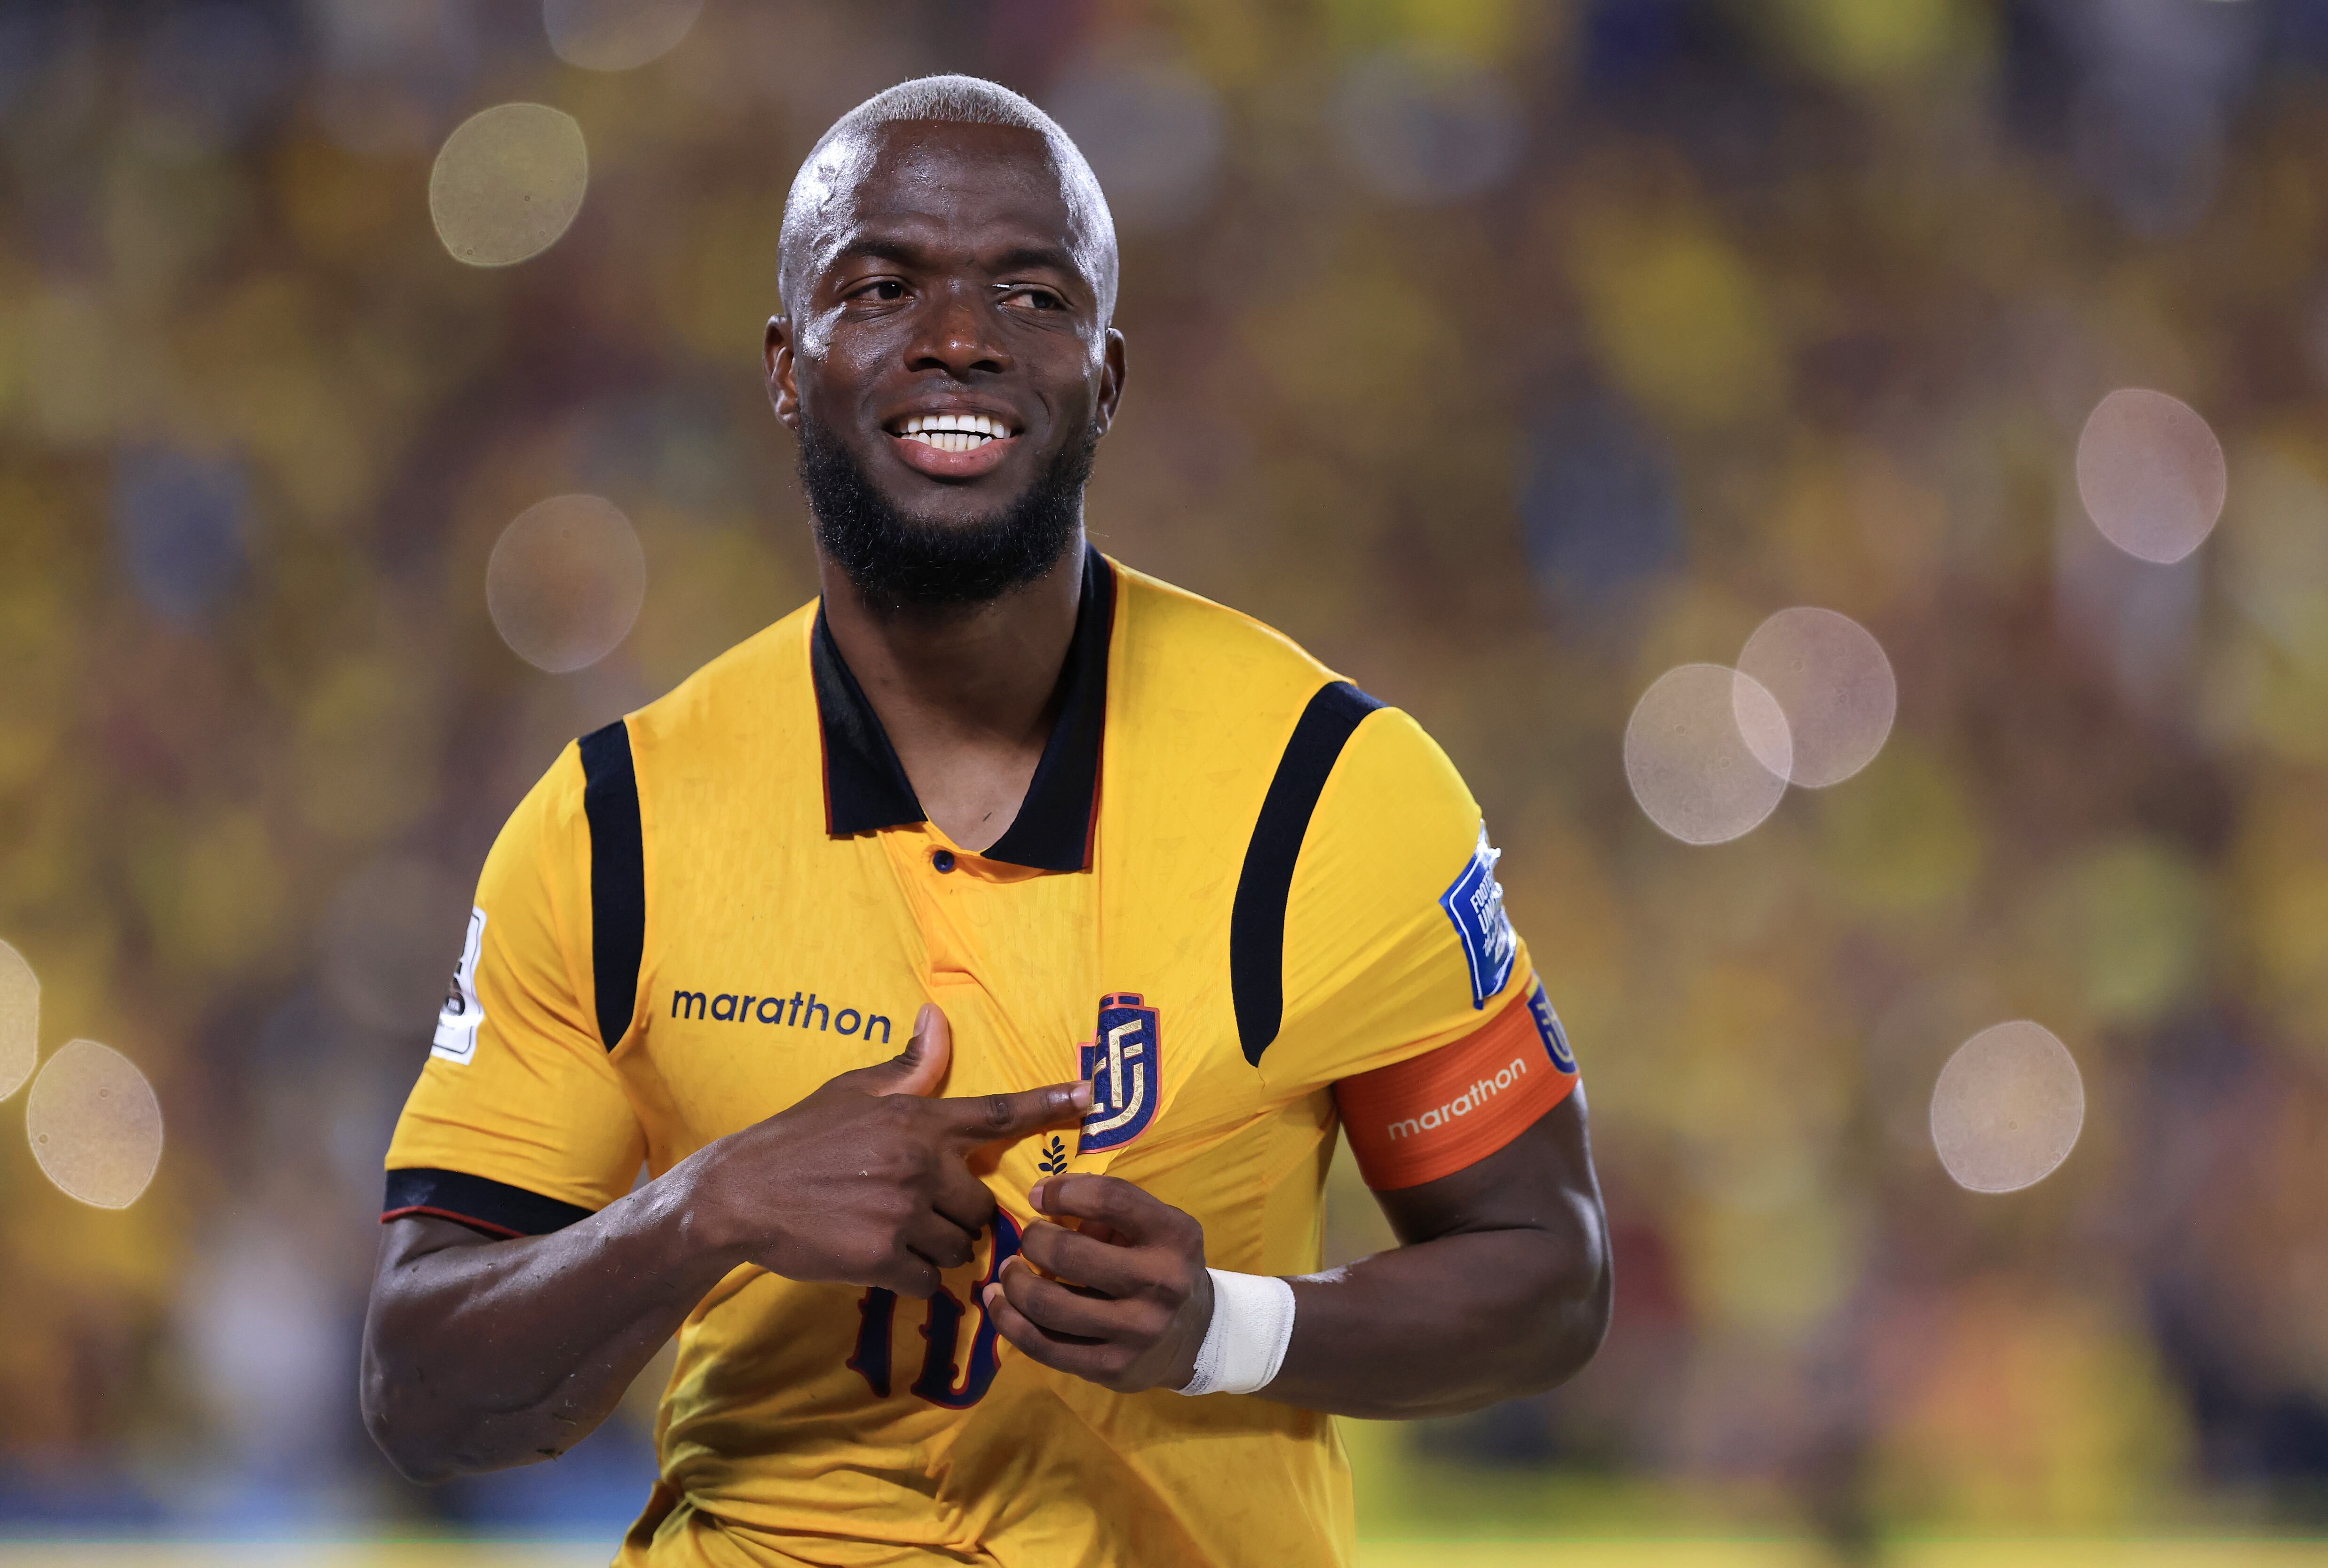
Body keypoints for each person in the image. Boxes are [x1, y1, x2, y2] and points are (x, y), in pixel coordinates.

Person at [361, 74, 1611, 1568]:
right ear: (783, 363)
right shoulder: (610, 827)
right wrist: (703, 1210)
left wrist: (1231, 1329)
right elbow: (422, 1391)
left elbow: (1548, 1276)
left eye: (1030, 293)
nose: (960, 338)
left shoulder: (1330, 787)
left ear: (1106, 374)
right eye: (883, 286)